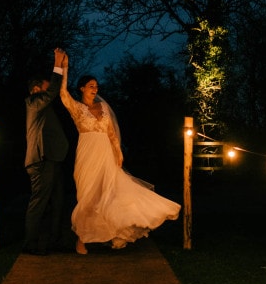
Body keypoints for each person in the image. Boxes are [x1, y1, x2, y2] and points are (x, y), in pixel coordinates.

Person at [59, 53, 180, 255]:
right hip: (87, 154)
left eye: (97, 86)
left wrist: (118, 151)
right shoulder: (77, 108)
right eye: (91, 86)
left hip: (105, 153)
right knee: (88, 196)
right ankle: (82, 239)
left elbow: (111, 133)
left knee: (109, 194)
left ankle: (111, 233)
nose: (95, 89)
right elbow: (62, 93)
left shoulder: (103, 107)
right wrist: (64, 67)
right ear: (82, 88)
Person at [23, 47, 71, 255]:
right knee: (39, 202)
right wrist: (57, 64)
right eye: (45, 86)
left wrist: (64, 67)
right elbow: (52, 92)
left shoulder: (42, 107)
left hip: (53, 158)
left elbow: (54, 92)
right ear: (36, 89)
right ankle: (30, 244)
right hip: (41, 160)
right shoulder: (33, 102)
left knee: (58, 201)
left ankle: (56, 241)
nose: (49, 89)